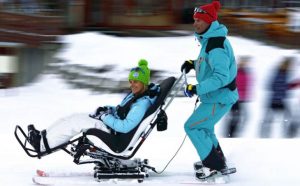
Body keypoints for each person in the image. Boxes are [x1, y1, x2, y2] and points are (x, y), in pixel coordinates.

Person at [27, 59, 159, 154]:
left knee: (76, 122)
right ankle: (43, 136)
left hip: (114, 135)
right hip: (111, 127)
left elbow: (124, 127)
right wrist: (107, 109)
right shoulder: (136, 96)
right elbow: (121, 110)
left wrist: (105, 116)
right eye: (131, 81)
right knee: (74, 117)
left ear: (144, 82)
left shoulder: (141, 105)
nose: (132, 84)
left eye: (136, 81)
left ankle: (43, 145)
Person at [180, 1, 238, 180]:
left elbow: (221, 77)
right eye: (194, 19)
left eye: (199, 20)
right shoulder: (209, 40)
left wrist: (196, 88)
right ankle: (217, 161)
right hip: (215, 97)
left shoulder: (216, 45)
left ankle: (212, 165)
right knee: (205, 129)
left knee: (192, 126)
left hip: (219, 97)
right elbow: (208, 64)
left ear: (209, 21)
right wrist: (193, 63)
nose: (195, 23)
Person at [225, 56, 253, 137]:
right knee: (235, 116)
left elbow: (247, 85)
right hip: (235, 98)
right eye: (243, 62)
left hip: (242, 98)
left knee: (242, 116)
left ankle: (232, 133)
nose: (244, 64)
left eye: (245, 63)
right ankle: (230, 134)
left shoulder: (245, 72)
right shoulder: (235, 72)